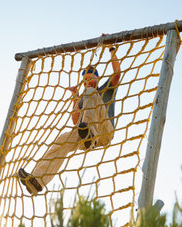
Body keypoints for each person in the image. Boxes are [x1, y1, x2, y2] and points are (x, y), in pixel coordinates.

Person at [18, 46, 121, 195]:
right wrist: (75, 97)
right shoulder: (84, 98)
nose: (88, 81)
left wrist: (111, 49)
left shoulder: (105, 88)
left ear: (97, 78)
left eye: (91, 77)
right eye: (85, 79)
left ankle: (90, 133)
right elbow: (75, 120)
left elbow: (117, 73)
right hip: (87, 136)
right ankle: (37, 181)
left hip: (104, 131)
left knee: (91, 93)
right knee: (62, 140)